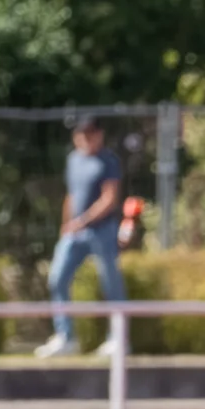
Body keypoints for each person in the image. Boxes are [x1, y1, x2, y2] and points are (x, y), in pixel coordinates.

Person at [35, 116, 127, 358]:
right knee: (57, 278)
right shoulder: (73, 160)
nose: (85, 138)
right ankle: (65, 337)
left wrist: (83, 220)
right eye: (81, 134)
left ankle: (118, 338)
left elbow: (109, 198)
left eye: (90, 133)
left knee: (111, 282)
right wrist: (66, 225)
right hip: (74, 232)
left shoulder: (108, 161)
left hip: (102, 230)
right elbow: (72, 195)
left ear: (99, 135)